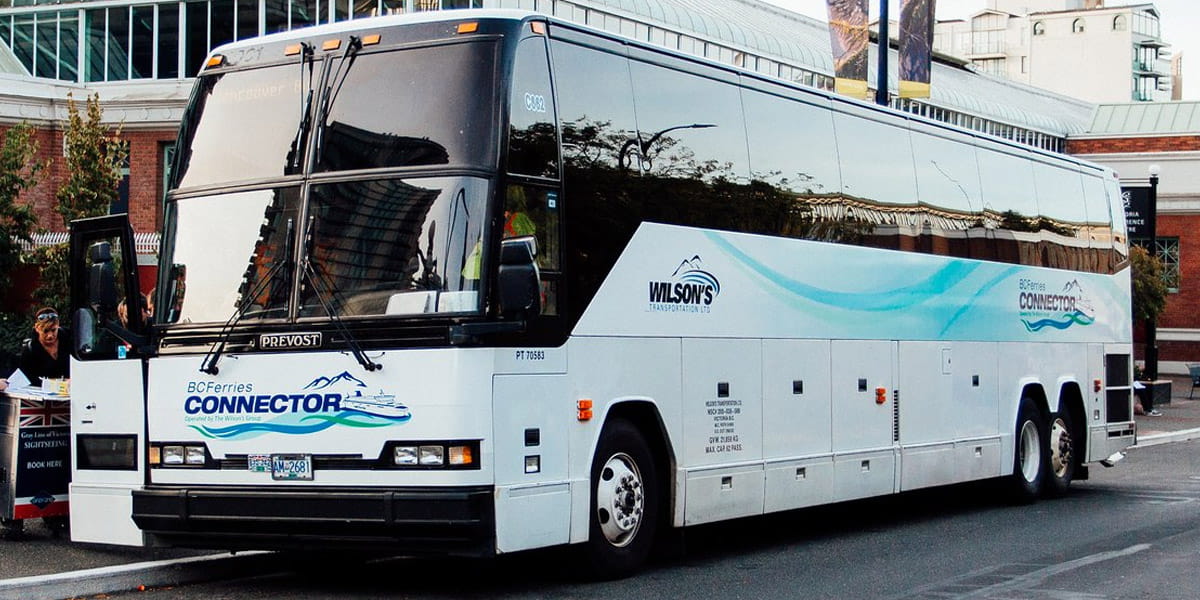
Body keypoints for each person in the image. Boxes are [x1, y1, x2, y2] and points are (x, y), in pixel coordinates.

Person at [18, 308, 70, 387]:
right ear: (37, 328)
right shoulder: (30, 349)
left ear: (58, 325)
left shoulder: (70, 339)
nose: (50, 335)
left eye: (53, 330)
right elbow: (27, 378)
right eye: (45, 331)